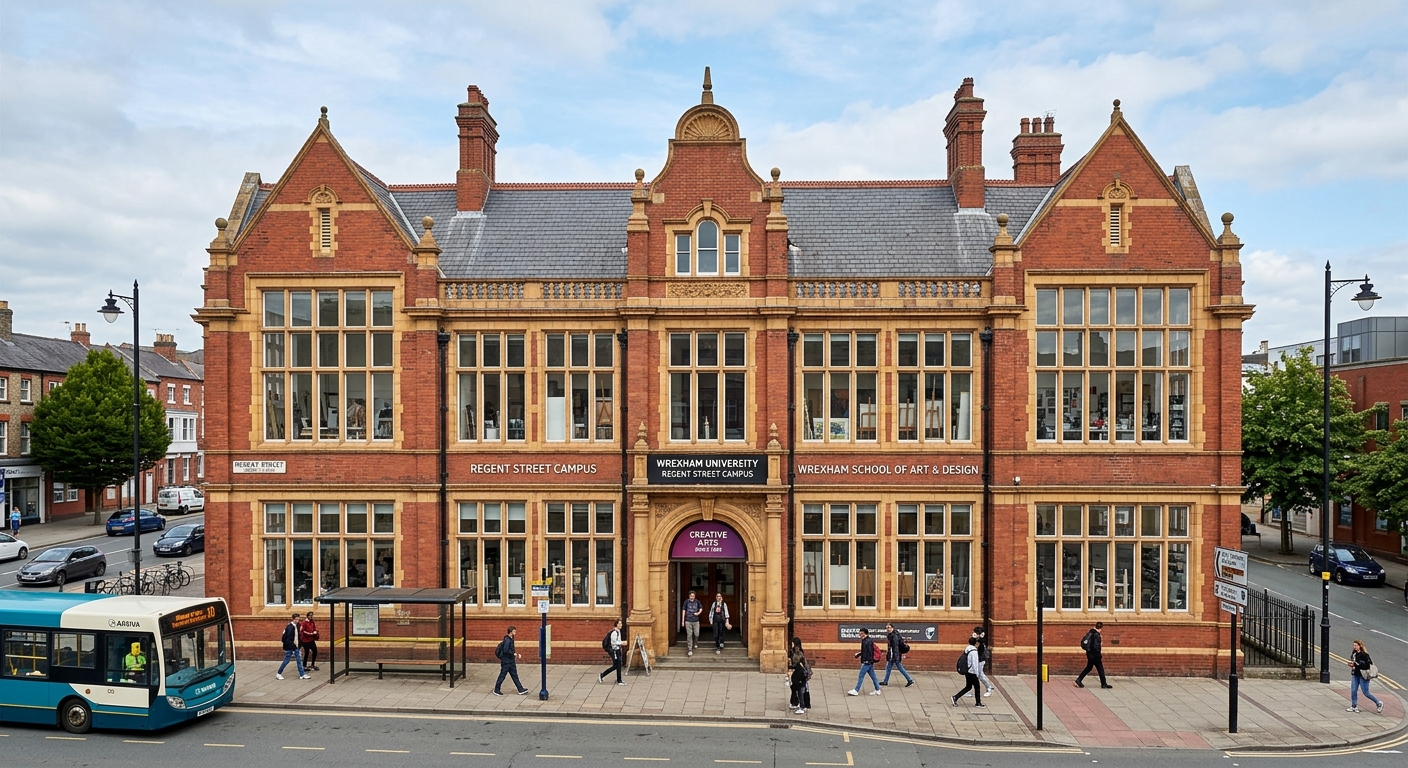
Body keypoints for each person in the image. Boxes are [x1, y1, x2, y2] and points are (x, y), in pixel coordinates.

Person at [1345, 639, 1383, 713]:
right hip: (1355, 674)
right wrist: (1352, 665)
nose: (1354, 647)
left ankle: (1379, 703)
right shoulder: (1354, 654)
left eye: (1356, 645)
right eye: (1354, 645)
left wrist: (1356, 665)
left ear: (1360, 646)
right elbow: (1354, 662)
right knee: (1353, 690)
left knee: (1366, 692)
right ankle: (1354, 706)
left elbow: (1366, 666)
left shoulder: (1364, 655)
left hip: (1363, 675)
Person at [493, 626, 529, 695]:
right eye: (514, 631)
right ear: (510, 632)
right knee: (502, 676)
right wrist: (513, 653)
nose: (515, 632)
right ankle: (496, 689)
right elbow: (506, 650)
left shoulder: (511, 639)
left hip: (510, 661)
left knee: (514, 675)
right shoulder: (507, 640)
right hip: (506, 661)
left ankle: (520, 689)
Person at [1075, 621, 1112, 689]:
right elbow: (1096, 646)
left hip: (1089, 654)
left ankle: (1078, 680)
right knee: (1100, 669)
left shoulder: (1090, 632)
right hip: (1095, 655)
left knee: (1089, 668)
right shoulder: (1097, 635)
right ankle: (1103, 684)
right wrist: (1099, 651)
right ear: (1101, 628)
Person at [847, 627, 882, 696]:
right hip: (869, 661)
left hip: (867, 662)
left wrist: (867, 661)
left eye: (862, 633)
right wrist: (859, 654)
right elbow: (865, 651)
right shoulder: (866, 640)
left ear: (865, 634)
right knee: (873, 676)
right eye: (860, 633)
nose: (860, 635)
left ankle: (856, 690)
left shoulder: (867, 641)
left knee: (861, 676)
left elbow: (869, 652)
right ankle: (877, 690)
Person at [951, 635, 984, 707]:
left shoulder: (968, 649)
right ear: (976, 643)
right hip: (972, 672)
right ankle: (978, 703)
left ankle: (955, 697)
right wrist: (977, 674)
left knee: (968, 687)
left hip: (967, 671)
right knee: (977, 687)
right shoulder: (974, 651)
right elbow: (975, 663)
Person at [879, 622, 914, 687]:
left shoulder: (894, 636)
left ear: (892, 628)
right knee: (889, 668)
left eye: (889, 628)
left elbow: (895, 648)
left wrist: (893, 656)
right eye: (887, 628)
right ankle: (885, 681)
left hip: (894, 655)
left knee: (899, 668)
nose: (888, 629)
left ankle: (910, 680)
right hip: (894, 655)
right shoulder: (892, 635)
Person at [277, 613, 309, 680]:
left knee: (299, 660)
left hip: (296, 646)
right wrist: (292, 646)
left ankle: (302, 674)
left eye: (298, 619)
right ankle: (279, 673)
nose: (297, 621)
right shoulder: (290, 627)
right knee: (286, 660)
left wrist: (299, 645)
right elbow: (286, 639)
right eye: (296, 619)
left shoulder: (298, 625)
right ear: (293, 619)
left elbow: (299, 636)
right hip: (290, 647)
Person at [598, 618, 626, 686]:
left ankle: (618, 679)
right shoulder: (614, 633)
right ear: (616, 624)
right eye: (619, 624)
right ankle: (603, 675)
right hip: (614, 651)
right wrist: (622, 643)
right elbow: (613, 643)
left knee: (617, 665)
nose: (620, 625)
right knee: (617, 665)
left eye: (621, 623)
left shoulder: (618, 631)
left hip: (617, 650)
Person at [788, 637, 811, 714]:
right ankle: (798, 703)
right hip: (801, 677)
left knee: (801, 692)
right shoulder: (798, 651)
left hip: (801, 679)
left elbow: (800, 665)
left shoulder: (797, 652)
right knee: (800, 690)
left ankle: (802, 705)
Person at [680, 590, 703, 656]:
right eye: (691, 596)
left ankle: (695, 643)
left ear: (695, 596)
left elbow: (701, 608)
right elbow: (683, 611)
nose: (692, 597)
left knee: (696, 634)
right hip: (688, 620)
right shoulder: (686, 602)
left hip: (696, 620)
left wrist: (698, 613)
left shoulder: (697, 601)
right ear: (689, 596)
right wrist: (683, 621)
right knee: (689, 635)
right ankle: (690, 649)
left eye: (693, 596)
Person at [973, 625, 993, 694]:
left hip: (980, 660)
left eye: (976, 633)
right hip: (977, 659)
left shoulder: (981, 641)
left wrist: (978, 638)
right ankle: (989, 686)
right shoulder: (977, 640)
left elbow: (978, 647)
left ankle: (988, 687)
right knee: (977, 674)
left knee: (979, 675)